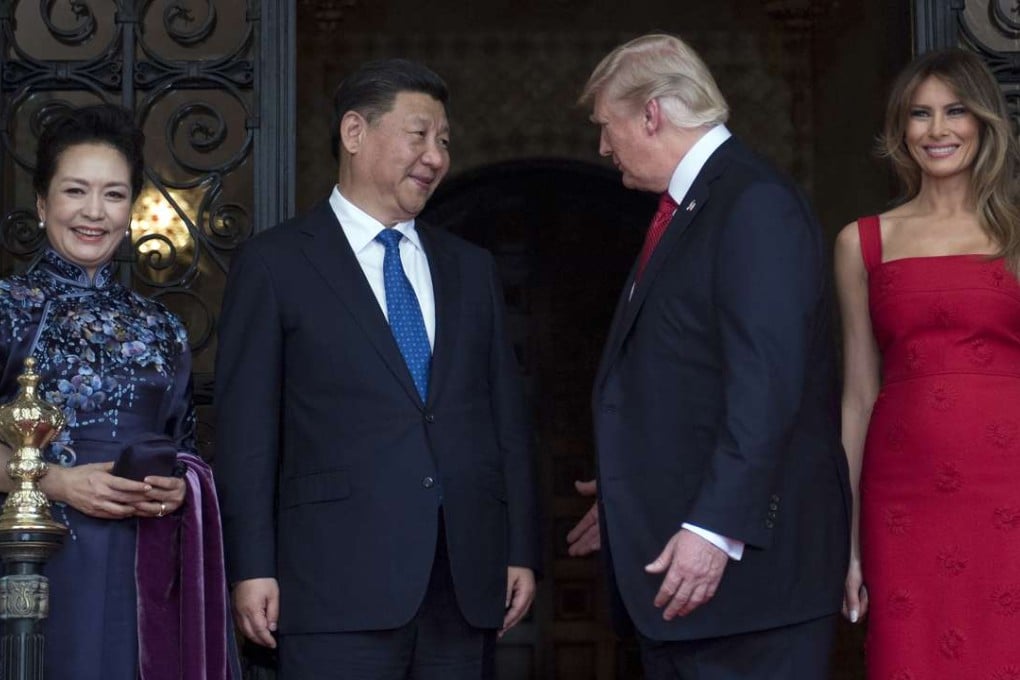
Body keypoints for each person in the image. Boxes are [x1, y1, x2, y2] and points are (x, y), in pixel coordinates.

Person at [214, 58, 541, 679]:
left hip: (462, 581)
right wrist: (251, 564)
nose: (436, 157)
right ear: (355, 132)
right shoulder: (276, 264)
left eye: (444, 142)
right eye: (419, 135)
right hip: (330, 586)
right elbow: (246, 433)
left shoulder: (470, 269)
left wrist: (520, 548)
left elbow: (505, 417)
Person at [565, 34, 850, 678]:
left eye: (606, 127)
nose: (603, 147)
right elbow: (685, 379)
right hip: (693, 591)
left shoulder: (752, 204)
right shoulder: (695, 205)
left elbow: (767, 385)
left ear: (652, 114)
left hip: (748, 594)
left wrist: (715, 528)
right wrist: (628, 493)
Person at [0, 103, 238, 679]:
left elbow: (184, 450)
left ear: (131, 207)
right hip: (32, 566)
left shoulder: (162, 328)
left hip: (146, 567)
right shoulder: (8, 309)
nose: (93, 212)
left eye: (113, 194)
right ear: (41, 202)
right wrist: (54, 481)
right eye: (75, 191)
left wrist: (181, 489)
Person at [836, 48, 1020, 676]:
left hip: (1009, 491)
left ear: (984, 122)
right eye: (920, 114)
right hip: (903, 499)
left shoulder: (1019, 233)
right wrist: (849, 542)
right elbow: (858, 397)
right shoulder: (862, 241)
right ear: (901, 129)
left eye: (955, 111)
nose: (937, 130)